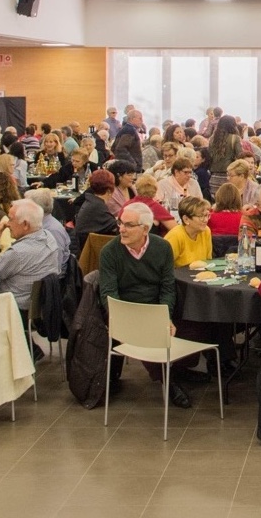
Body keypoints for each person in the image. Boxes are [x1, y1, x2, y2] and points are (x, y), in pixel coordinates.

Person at [100, 202, 208, 408]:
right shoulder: (110, 252)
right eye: (120, 223)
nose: (121, 229)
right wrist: (125, 317)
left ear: (145, 229)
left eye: (129, 225)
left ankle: (178, 368)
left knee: (197, 324)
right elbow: (108, 293)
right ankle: (169, 382)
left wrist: (165, 316)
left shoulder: (161, 247)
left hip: (156, 307)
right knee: (151, 335)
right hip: (125, 310)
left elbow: (167, 287)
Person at [0, 199, 61, 360]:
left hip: (13, 306)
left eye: (10, 219)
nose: (7, 224)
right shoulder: (49, 237)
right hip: (39, 304)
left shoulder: (17, 253)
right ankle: (28, 347)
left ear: (25, 225)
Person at [72, 169, 120, 254]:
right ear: (109, 190)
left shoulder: (91, 202)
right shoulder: (98, 207)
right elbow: (117, 228)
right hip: (91, 256)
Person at [23, 188, 70, 274]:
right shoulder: (39, 226)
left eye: (25, 207)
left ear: (36, 209)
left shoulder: (53, 231)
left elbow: (56, 266)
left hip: (48, 282)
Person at [163, 196, 213, 267]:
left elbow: (208, 261)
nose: (206, 220)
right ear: (186, 219)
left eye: (207, 215)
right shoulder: (176, 236)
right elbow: (163, 266)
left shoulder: (206, 231)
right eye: (201, 216)